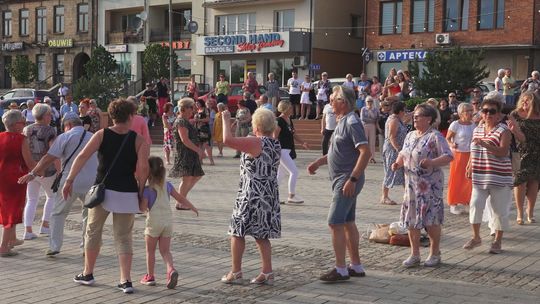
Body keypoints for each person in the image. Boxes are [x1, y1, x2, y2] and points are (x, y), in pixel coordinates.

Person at [64, 98, 150, 294]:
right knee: (124, 237)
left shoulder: (101, 135)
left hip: (103, 190)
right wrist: (141, 191)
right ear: (130, 116)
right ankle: (125, 280)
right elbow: (143, 169)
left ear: (111, 116)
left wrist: (69, 180)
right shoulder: (139, 140)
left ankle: (88, 273)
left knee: (93, 231)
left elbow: (82, 156)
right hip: (127, 191)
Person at [307, 85, 370, 282]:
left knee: (334, 222)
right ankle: (356, 266)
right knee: (348, 222)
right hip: (343, 179)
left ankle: (341, 269)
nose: (330, 103)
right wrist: (319, 161)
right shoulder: (342, 121)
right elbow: (338, 151)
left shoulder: (352, 122)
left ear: (343, 102)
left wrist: (353, 178)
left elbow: (365, 152)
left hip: (347, 179)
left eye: (333, 99)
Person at [18, 112, 97, 256]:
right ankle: (86, 245)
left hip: (69, 182)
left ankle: (55, 246)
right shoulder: (93, 137)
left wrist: (33, 173)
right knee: (88, 214)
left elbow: (48, 158)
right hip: (91, 182)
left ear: (68, 125)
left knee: (58, 213)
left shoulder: (65, 137)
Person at [220, 108, 281, 285]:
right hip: (268, 194)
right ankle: (267, 272)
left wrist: (225, 120)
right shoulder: (274, 142)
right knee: (262, 235)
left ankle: (236, 271)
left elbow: (227, 140)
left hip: (251, 193)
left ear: (257, 125)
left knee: (237, 232)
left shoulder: (256, 142)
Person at [392, 104, 453, 267]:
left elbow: (448, 156)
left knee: (431, 220)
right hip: (411, 186)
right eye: (414, 116)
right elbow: (403, 153)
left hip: (430, 186)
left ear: (429, 119)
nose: (415, 118)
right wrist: (397, 163)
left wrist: (432, 161)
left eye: (418, 116)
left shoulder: (435, 136)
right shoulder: (410, 135)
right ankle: (415, 254)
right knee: (412, 220)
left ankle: (434, 253)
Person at [463, 93, 512, 254]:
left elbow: (503, 152)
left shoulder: (503, 130)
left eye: (492, 111)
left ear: (499, 114)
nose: (488, 114)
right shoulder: (477, 129)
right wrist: (469, 165)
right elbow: (473, 149)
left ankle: (497, 241)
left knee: (499, 210)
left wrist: (486, 144)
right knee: (475, 205)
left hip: (499, 177)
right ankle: (476, 237)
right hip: (479, 176)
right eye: (485, 111)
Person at [139, 156, 198, 289]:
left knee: (150, 251)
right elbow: (180, 198)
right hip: (167, 222)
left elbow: (143, 208)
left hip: (154, 223)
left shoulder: (148, 190)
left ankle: (150, 276)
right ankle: (171, 269)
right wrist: (192, 207)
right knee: (165, 251)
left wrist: (139, 196)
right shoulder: (168, 186)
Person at [0, 110, 35, 257]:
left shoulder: (0, 137)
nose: (24, 124)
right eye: (22, 122)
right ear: (15, 125)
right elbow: (29, 161)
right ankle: (3, 247)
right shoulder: (21, 139)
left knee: (6, 208)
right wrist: (40, 169)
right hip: (16, 178)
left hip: (2, 177)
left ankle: (12, 239)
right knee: (12, 210)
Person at [21, 103, 58, 240]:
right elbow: (53, 152)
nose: (51, 116)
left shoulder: (26, 129)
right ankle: (45, 225)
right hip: (47, 169)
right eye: (49, 114)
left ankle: (28, 230)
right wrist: (59, 169)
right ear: (44, 116)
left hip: (31, 169)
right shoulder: (50, 131)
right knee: (51, 196)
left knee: (31, 199)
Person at [507, 91, 540, 225]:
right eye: (523, 100)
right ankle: (520, 213)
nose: (525, 102)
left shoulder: (538, 115)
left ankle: (530, 211)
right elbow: (512, 131)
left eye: (528, 100)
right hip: (521, 152)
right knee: (520, 182)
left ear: (534, 102)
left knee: (534, 182)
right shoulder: (515, 114)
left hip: (537, 152)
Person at [169, 98, 204, 207]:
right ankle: (181, 202)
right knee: (187, 178)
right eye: (191, 108)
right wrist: (198, 150)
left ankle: (181, 199)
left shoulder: (185, 120)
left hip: (190, 152)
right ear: (184, 109)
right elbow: (185, 140)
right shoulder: (181, 121)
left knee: (196, 175)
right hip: (184, 153)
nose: (193, 111)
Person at [275, 100, 309, 204]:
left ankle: (272, 195)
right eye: (290, 108)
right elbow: (274, 136)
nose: (292, 109)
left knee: (280, 174)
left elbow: (293, 134)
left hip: (288, 149)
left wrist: (303, 142)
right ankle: (291, 196)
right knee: (294, 171)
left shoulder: (289, 119)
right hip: (282, 150)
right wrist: (274, 150)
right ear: (284, 109)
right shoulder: (279, 120)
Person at [446, 103, 476, 215]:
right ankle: (453, 203)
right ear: (460, 113)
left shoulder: (473, 124)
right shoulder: (455, 124)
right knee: (456, 178)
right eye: (467, 111)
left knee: (468, 179)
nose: (470, 113)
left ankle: (466, 201)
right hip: (458, 154)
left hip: (470, 154)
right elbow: (448, 138)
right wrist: (452, 144)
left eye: (471, 110)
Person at [380, 101, 407, 205]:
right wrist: (399, 150)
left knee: (404, 172)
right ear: (400, 111)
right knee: (390, 172)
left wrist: (415, 112)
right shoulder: (393, 120)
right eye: (404, 110)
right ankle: (384, 197)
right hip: (392, 150)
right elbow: (392, 136)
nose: (405, 112)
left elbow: (407, 117)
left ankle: (408, 195)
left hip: (398, 150)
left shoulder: (398, 119)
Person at [194, 99, 214, 166]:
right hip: (198, 129)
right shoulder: (197, 111)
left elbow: (208, 119)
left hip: (204, 129)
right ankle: (200, 160)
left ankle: (211, 160)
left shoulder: (205, 110)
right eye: (196, 103)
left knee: (206, 145)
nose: (196, 104)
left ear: (201, 103)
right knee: (199, 145)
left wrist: (199, 120)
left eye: (198, 103)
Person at [360, 96, 379, 163]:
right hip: (364, 126)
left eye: (371, 101)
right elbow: (362, 118)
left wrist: (371, 119)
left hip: (372, 126)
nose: (369, 102)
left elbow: (376, 118)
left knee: (372, 142)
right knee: (365, 142)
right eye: (368, 101)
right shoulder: (363, 109)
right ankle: (364, 157)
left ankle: (372, 157)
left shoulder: (375, 109)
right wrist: (371, 120)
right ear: (366, 102)